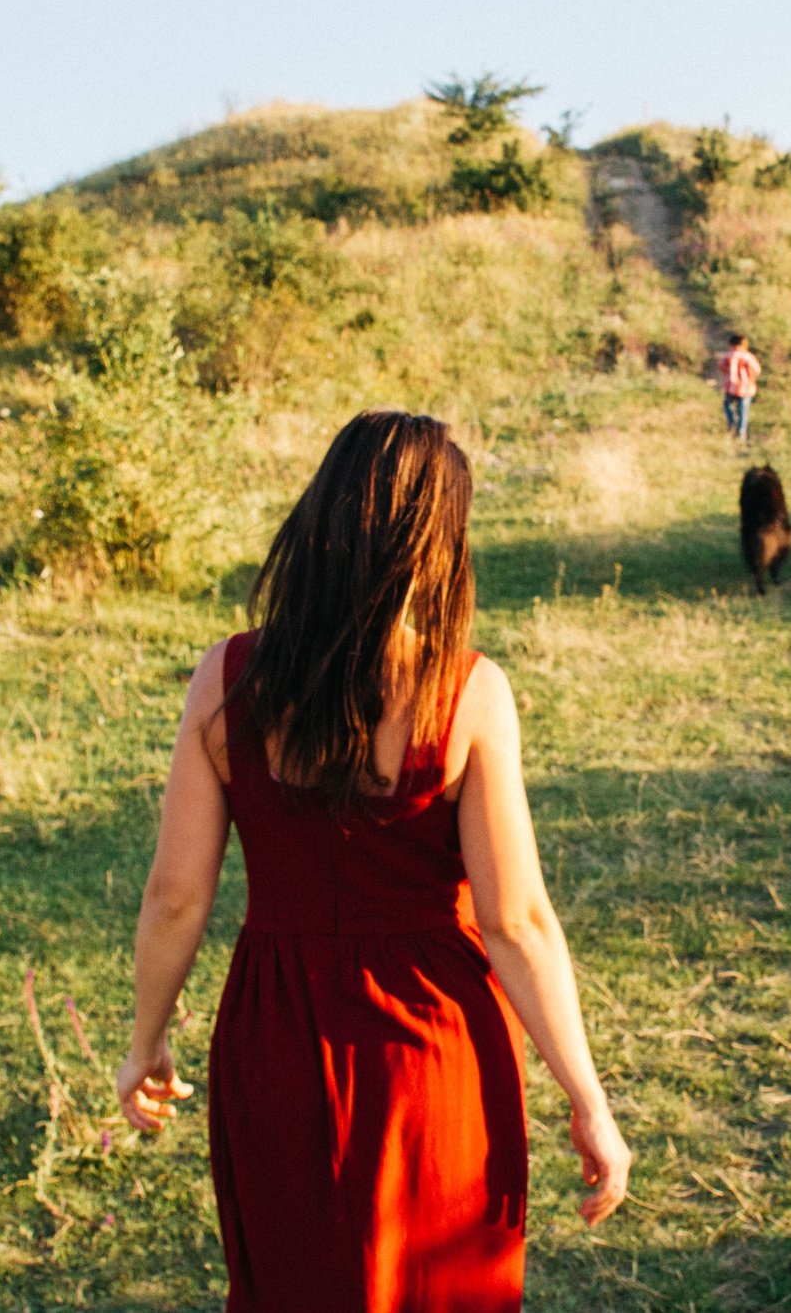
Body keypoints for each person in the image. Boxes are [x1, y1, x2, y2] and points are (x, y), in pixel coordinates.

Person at [117, 410, 630, 1312]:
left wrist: (144, 1042)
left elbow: (174, 896)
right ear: (439, 542)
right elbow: (517, 921)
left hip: (276, 1038)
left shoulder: (227, 678)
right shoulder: (467, 690)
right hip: (434, 1046)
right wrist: (587, 1097)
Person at [719, 334, 760, 442]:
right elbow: (757, 370)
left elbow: (721, 367)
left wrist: (727, 373)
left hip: (731, 387)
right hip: (746, 389)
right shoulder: (749, 357)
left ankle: (732, 423)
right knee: (743, 411)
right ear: (745, 345)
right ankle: (741, 432)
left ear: (731, 345)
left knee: (727, 405)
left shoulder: (728, 355)